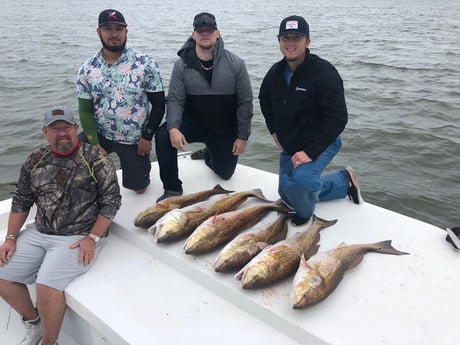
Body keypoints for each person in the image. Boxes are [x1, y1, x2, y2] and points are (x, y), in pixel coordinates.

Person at [0, 106, 121, 345]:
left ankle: (49, 342)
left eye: (66, 127)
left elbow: (112, 201)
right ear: (45, 132)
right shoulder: (35, 160)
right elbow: (22, 199)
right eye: (55, 129)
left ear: (76, 129)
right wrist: (11, 237)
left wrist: (93, 238)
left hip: (79, 235)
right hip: (40, 230)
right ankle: (34, 322)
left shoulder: (96, 159)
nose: (61, 133)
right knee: (2, 273)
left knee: (46, 286)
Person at [259, 15, 363, 226]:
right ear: (279, 41)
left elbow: (338, 117)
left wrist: (310, 152)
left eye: (296, 38)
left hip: (322, 141)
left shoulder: (324, 72)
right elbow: (264, 99)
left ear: (308, 41)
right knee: (286, 194)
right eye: (285, 38)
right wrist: (273, 130)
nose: (290, 43)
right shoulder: (275, 72)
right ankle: (343, 182)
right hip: (291, 144)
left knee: (300, 189)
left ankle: (306, 214)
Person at [154, 12, 253, 202]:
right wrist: (174, 128)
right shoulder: (181, 65)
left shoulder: (236, 64)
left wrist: (242, 136)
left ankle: (209, 153)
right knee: (163, 135)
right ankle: (172, 189)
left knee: (225, 174)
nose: (205, 34)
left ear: (218, 33)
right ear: (194, 35)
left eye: (209, 30)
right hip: (194, 123)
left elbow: (245, 102)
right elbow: (175, 99)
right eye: (201, 31)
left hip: (223, 128)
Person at [77, 9, 166, 194]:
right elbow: (85, 110)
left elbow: (158, 104)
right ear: (98, 32)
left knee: (139, 190)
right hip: (100, 133)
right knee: (71, 158)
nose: (114, 34)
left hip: (134, 139)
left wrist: (147, 137)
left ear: (126, 31)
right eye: (108, 29)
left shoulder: (146, 63)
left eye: (119, 28)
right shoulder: (87, 68)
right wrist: (94, 143)